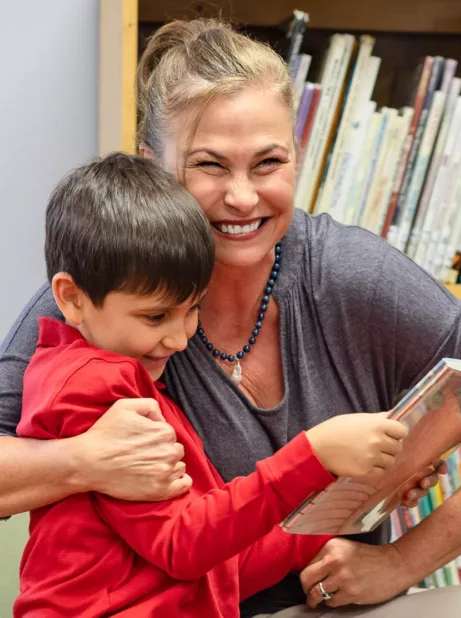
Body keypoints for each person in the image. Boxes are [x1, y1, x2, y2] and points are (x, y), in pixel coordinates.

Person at [0, 18, 461, 617]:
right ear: (154, 167)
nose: (244, 197)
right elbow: (187, 545)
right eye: (210, 165)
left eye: (268, 162)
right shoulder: (106, 300)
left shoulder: (354, 275)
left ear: (298, 156)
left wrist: (396, 554)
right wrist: (82, 463)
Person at [14, 153, 409, 617]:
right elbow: (186, 546)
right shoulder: (93, 386)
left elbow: (222, 569)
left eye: (192, 309)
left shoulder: (129, 377)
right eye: (156, 316)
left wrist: (349, 503)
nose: (180, 338)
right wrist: (313, 456)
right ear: (72, 299)